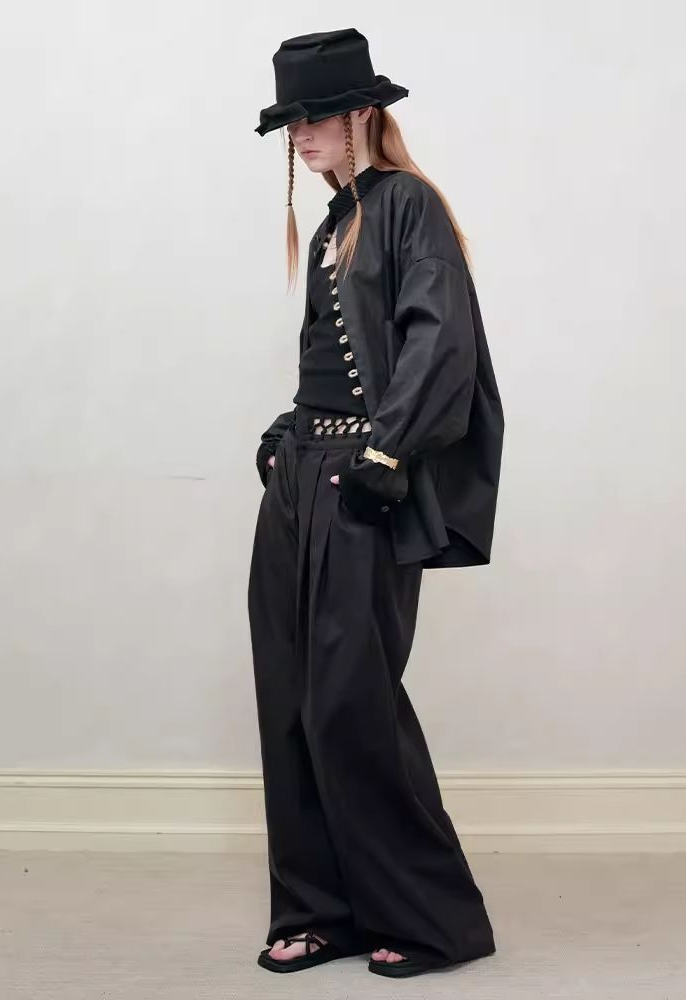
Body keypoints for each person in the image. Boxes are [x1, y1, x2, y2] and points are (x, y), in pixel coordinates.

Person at [248, 28, 504, 979]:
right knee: (291, 697)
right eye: (290, 122)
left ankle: (433, 919)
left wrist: (388, 450)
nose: (300, 134)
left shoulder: (406, 207)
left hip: (364, 480)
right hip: (302, 477)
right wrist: (291, 428)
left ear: (362, 113)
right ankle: (322, 911)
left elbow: (441, 342)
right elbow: (340, 355)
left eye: (314, 116)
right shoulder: (335, 222)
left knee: (351, 701)